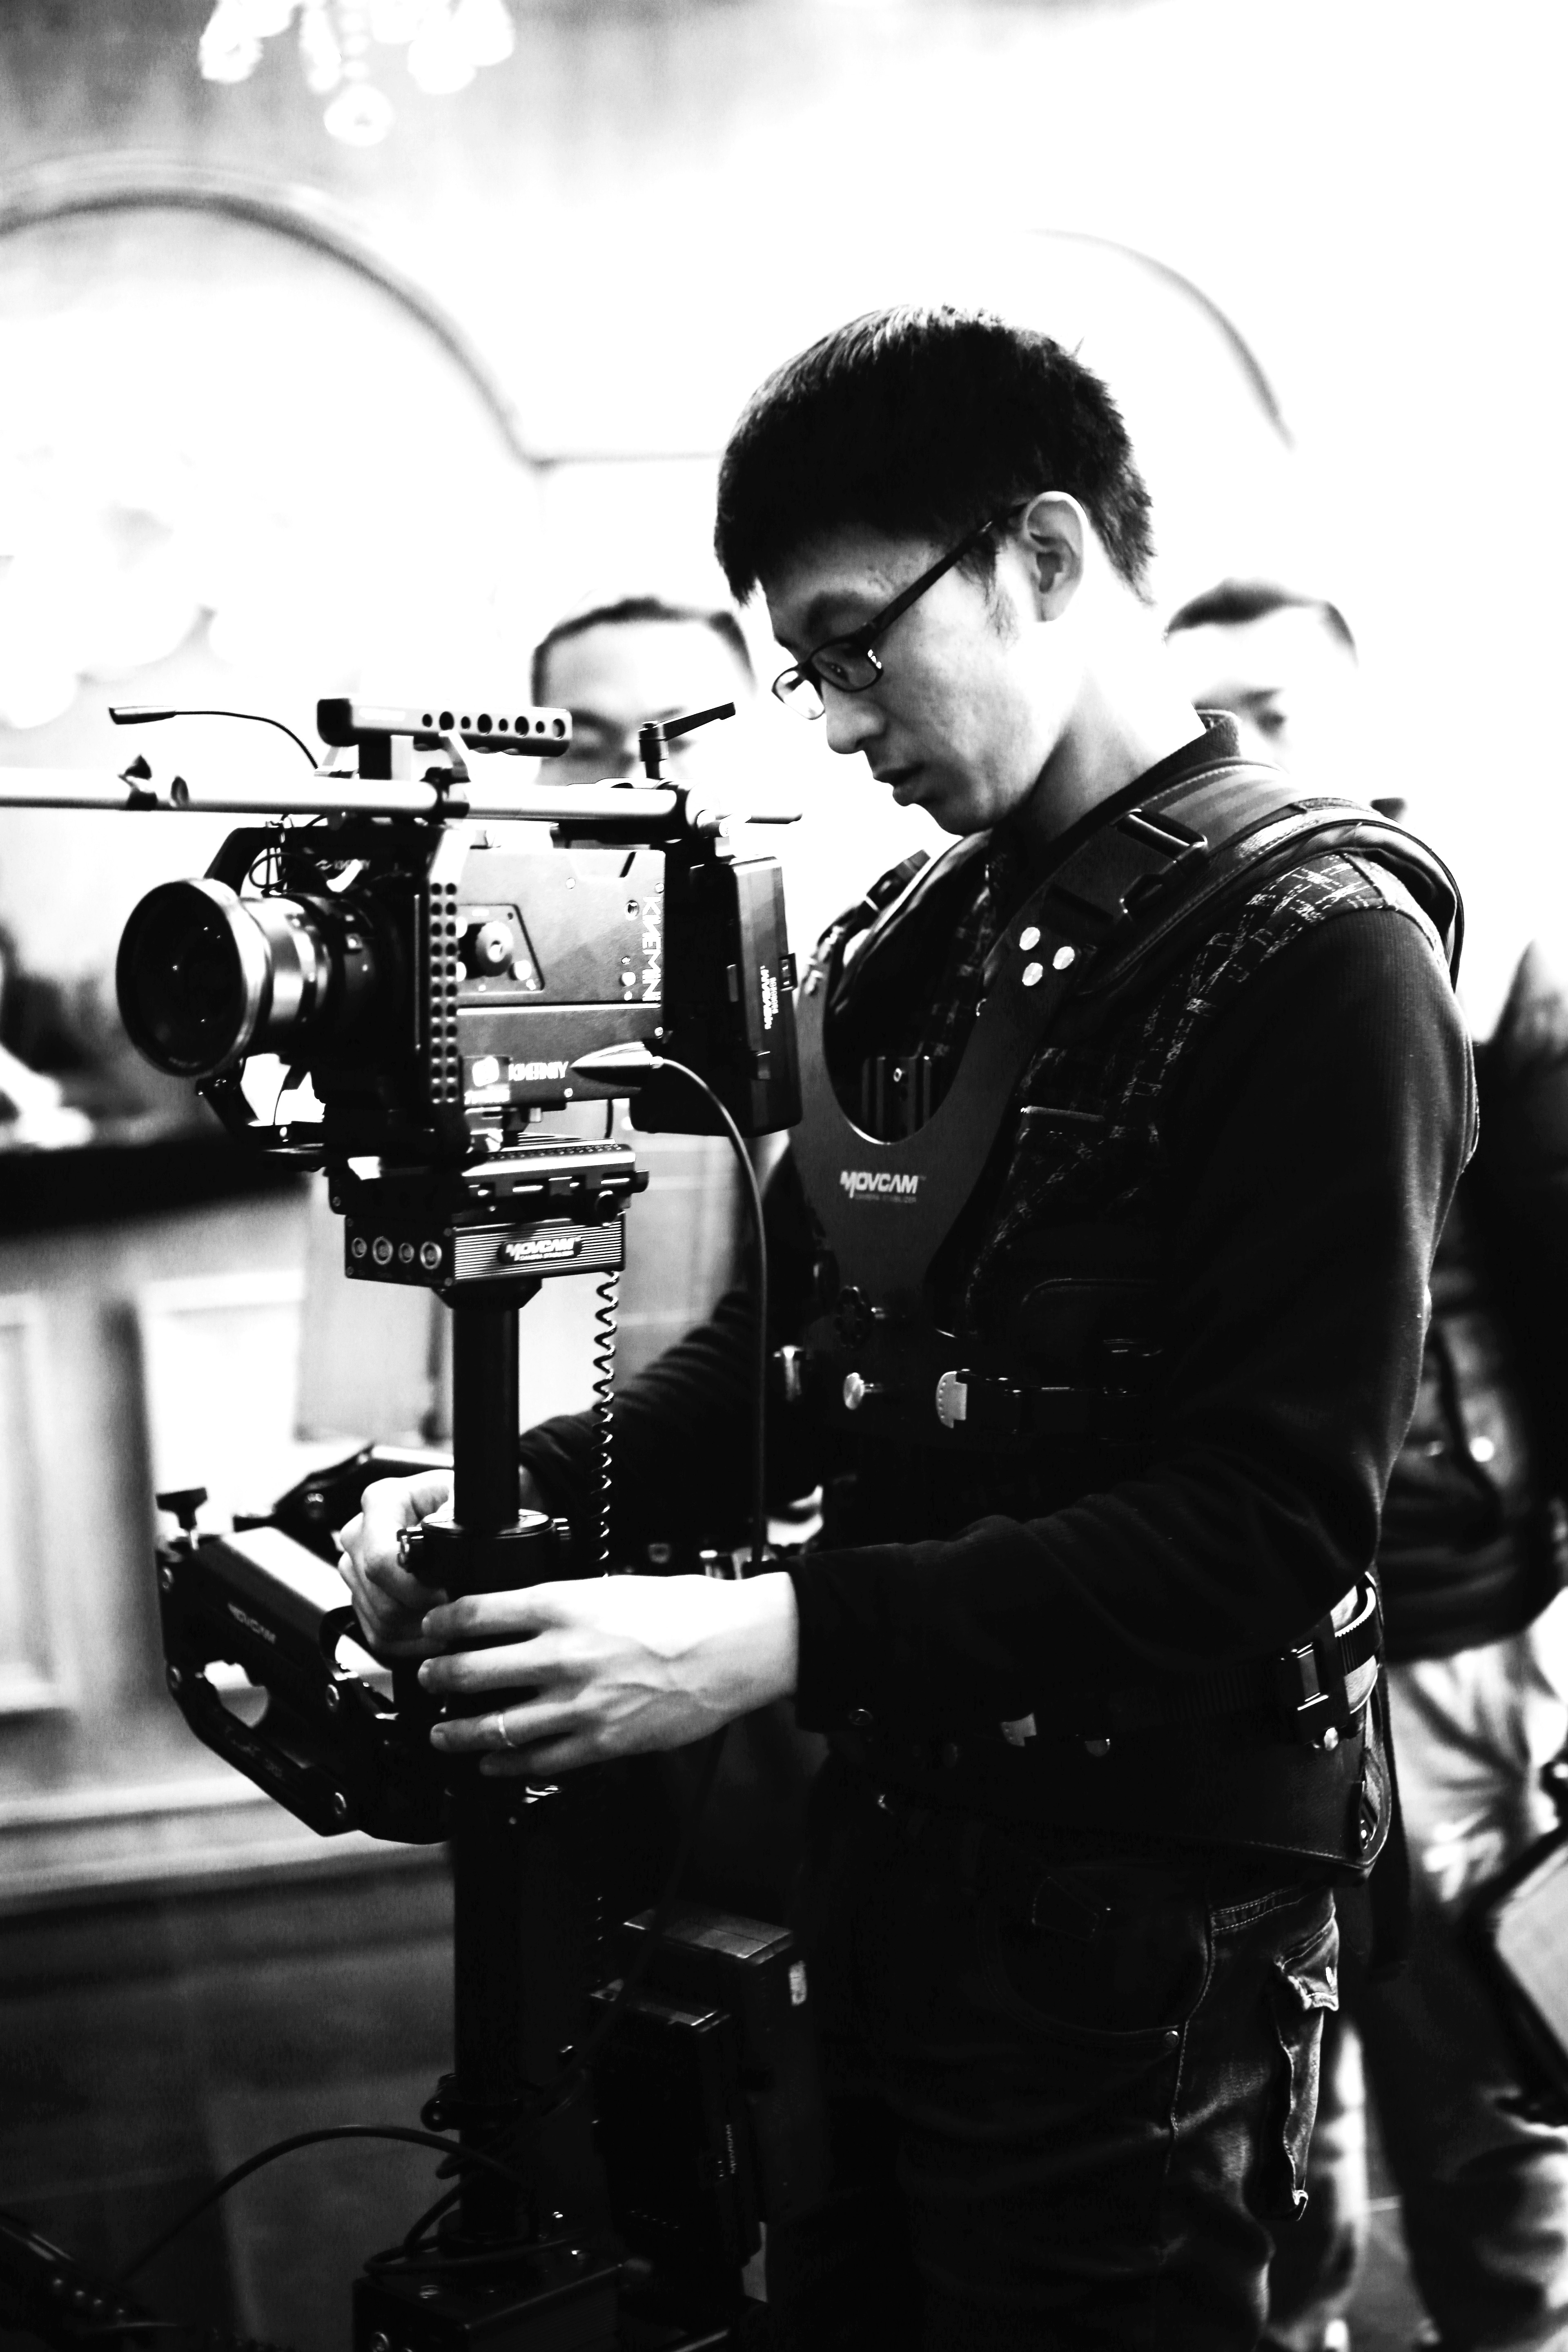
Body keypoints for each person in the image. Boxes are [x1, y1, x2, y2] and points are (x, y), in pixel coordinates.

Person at [339, 306, 1474, 2350]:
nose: (838, 720)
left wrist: (763, 1639)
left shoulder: (1326, 951)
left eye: (857, 644)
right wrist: (502, 1491)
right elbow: (784, 1362)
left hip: (1146, 1913)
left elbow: (1269, 1524)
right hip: (883, 1847)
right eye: (806, 669)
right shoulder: (912, 937)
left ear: (1045, 553)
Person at [1169, 582, 1568, 2352]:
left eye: (1273, 706)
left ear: (1366, 721)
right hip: (1249, 1641)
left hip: (1469, 1615)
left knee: (1490, 2082)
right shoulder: (1180, 950)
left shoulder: (1492, 952)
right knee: (1279, 2117)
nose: (1239, 745)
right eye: (1206, 716)